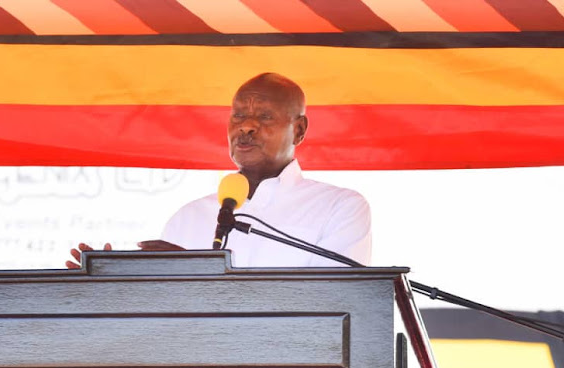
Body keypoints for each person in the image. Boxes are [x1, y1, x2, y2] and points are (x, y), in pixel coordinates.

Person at [67, 73, 370, 269]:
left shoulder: (339, 207)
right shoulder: (188, 217)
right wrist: (110, 285)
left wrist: (199, 275)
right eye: (238, 115)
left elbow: (336, 305)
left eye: (264, 116)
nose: (246, 127)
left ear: (299, 130)